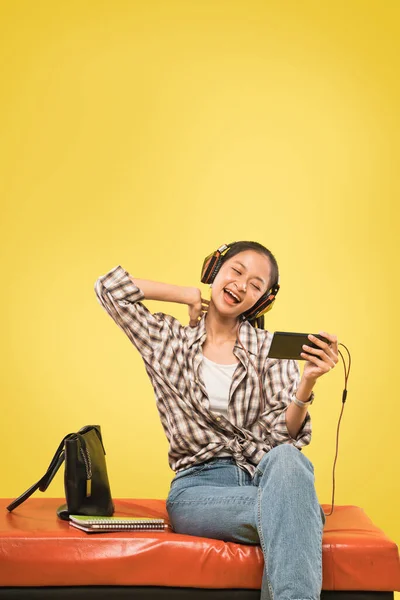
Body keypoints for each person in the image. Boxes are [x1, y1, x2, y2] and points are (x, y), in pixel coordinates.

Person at [94, 240, 338, 600]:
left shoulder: (270, 350)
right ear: (215, 270)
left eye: (256, 285)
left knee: (289, 459)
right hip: (199, 491)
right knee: (297, 510)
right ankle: (298, 511)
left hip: (263, 477)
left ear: (263, 300)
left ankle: (293, 509)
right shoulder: (168, 340)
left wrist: (307, 382)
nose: (241, 285)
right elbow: (109, 288)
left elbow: (282, 437)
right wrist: (186, 294)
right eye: (235, 271)